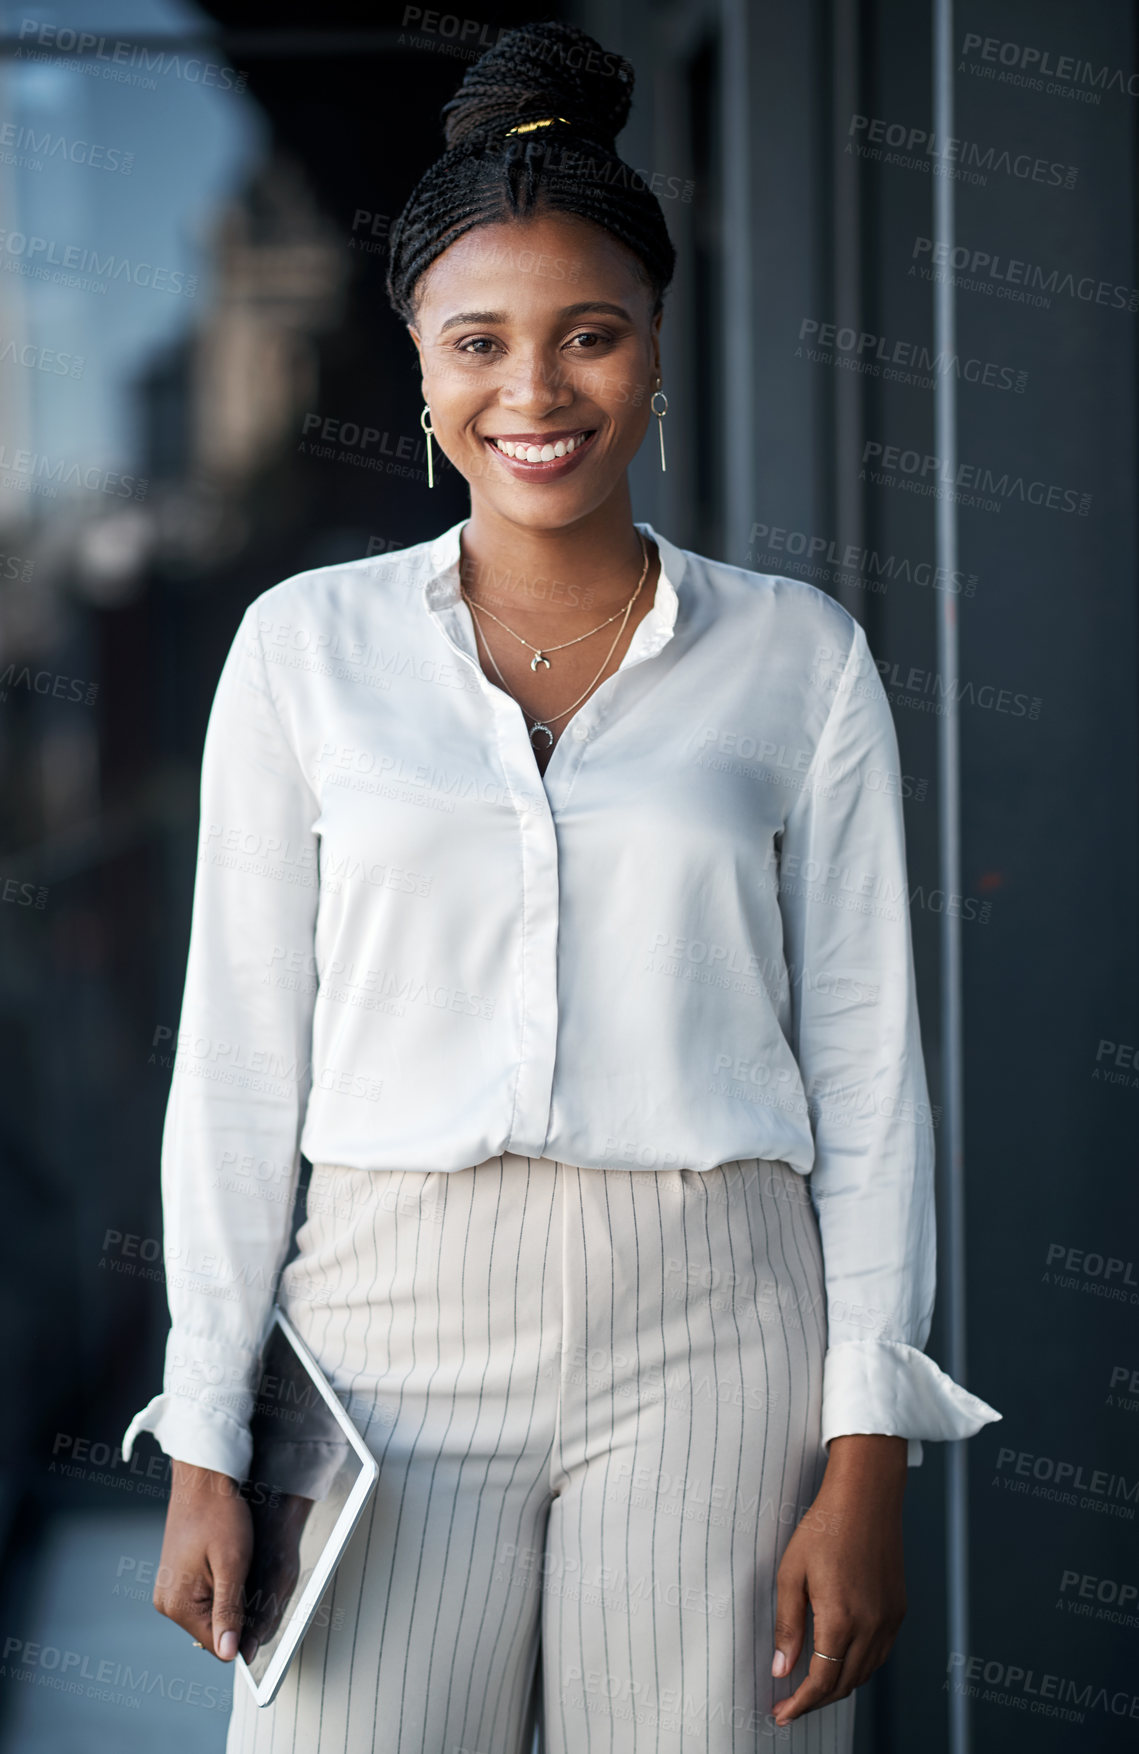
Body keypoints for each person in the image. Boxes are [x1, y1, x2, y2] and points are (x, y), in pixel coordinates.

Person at [122, 21, 1001, 1752]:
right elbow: (234, 1062)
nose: (536, 391)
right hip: (379, 1327)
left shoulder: (798, 660)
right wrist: (208, 1430)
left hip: (717, 1326)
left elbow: (869, 1073)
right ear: (425, 364)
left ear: (656, 348)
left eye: (589, 334)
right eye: (481, 343)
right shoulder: (304, 653)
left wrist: (868, 1441)